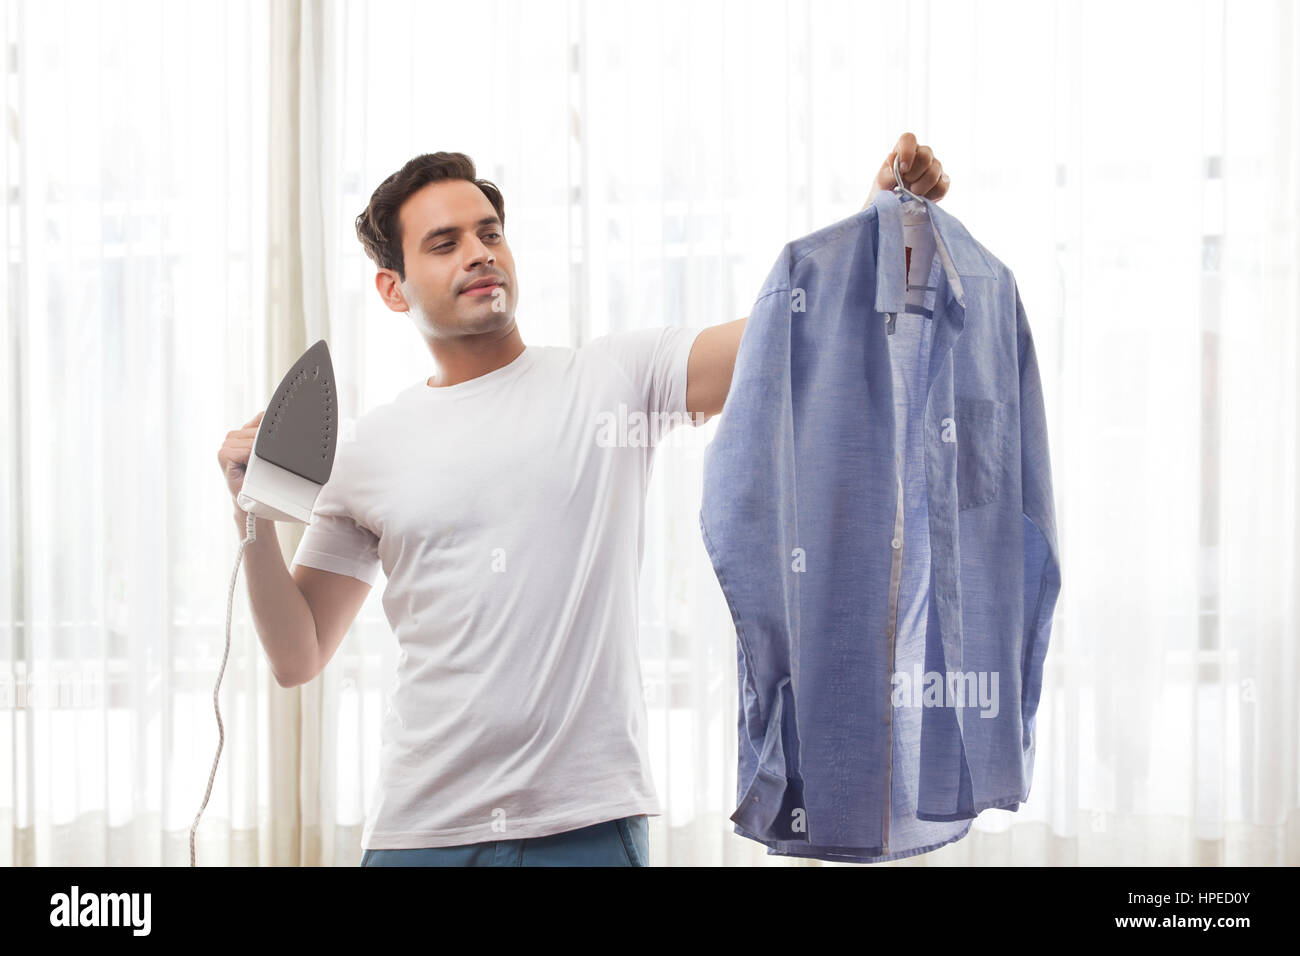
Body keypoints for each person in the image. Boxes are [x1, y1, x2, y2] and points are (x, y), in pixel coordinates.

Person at [216, 135, 949, 867]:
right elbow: (298, 653)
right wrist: (249, 516)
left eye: (489, 233)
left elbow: (794, 335)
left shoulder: (615, 381)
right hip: (420, 833)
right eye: (444, 243)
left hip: (588, 827)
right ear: (392, 288)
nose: (479, 253)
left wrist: (880, 220)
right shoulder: (369, 450)